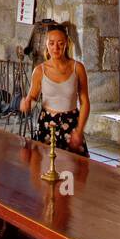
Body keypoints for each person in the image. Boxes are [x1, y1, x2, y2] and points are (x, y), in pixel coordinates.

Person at [19, 23, 90, 156]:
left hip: (71, 123)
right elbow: (32, 98)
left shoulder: (78, 68)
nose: (55, 48)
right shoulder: (40, 70)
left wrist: (79, 130)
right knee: (45, 168)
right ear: (46, 44)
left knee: (75, 170)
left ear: (66, 44)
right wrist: (26, 104)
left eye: (60, 43)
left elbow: (85, 101)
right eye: (51, 43)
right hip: (47, 124)